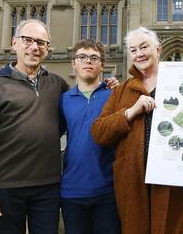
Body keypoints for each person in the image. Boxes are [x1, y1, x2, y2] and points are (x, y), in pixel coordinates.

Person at [0, 19, 69, 233]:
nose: (34, 47)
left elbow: (77, 110)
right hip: (6, 186)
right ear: (15, 43)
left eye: (41, 42)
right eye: (28, 40)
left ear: (47, 49)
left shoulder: (57, 84)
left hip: (47, 186)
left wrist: (105, 88)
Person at [91, 27, 183, 234]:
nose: (139, 54)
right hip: (133, 180)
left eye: (144, 47)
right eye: (133, 50)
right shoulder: (122, 90)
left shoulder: (181, 83)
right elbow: (99, 132)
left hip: (174, 178)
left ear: (158, 49)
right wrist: (130, 112)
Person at [59, 39, 121, 234]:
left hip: (108, 190)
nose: (88, 62)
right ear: (73, 63)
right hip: (72, 191)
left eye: (94, 58)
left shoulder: (115, 95)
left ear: (102, 65)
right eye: (82, 57)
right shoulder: (63, 100)